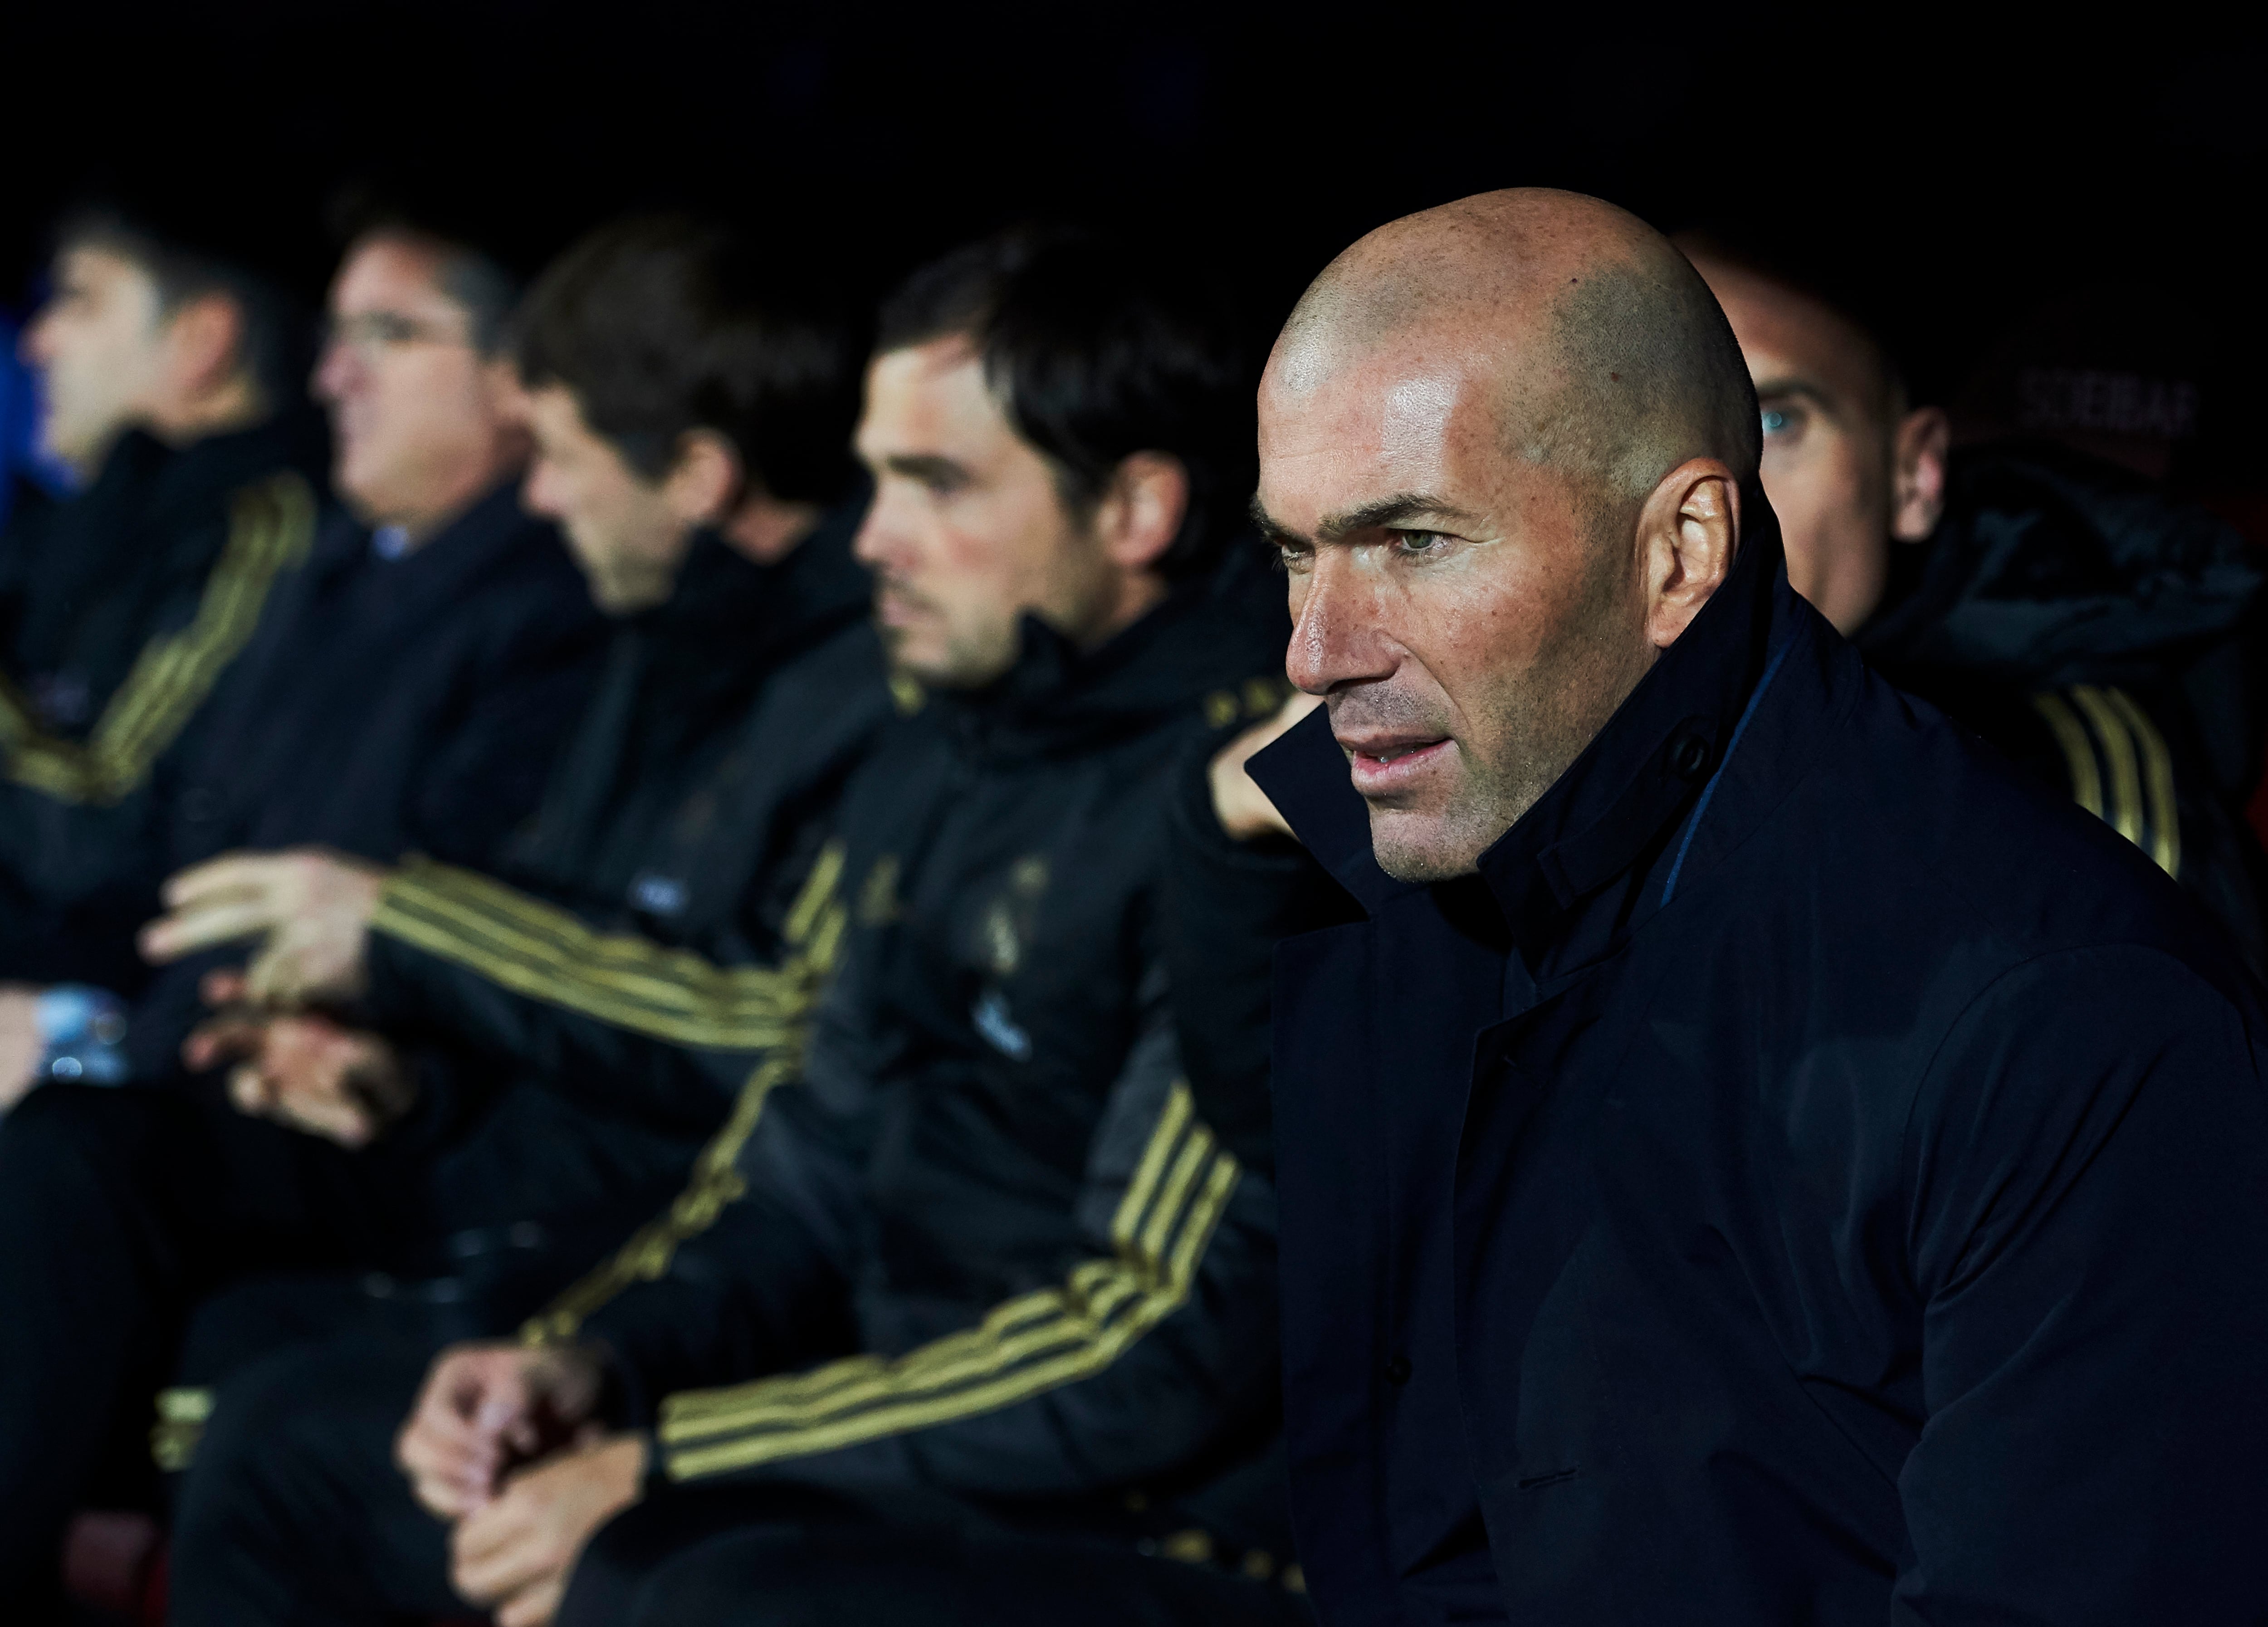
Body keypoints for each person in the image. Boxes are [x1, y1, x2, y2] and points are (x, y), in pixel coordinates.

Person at [166, 228, 1308, 1627]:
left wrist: (670, 1453)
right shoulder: (938, 739)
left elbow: (1148, 1345)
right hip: (904, 1439)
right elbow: (804, 1157)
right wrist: (587, 1362)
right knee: (293, 1453)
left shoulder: (1249, 805)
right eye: (877, 474)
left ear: (1135, 510)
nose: (874, 534)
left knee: (667, 1584)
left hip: (1145, 1522)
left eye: (935, 483)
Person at [1220, 188, 2268, 1622]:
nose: (1315, 650)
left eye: (1414, 542)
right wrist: (1204, 844)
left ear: (1681, 551)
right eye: (1297, 550)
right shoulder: (1430, 834)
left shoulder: (2067, 1017)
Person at [122, 211, 889, 1430]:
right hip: (514, 1200)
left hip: (658, 1262)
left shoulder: (866, 688)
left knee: (256, 1423)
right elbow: (564, 961)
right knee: (92, 1166)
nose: (538, 495)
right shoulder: (653, 638)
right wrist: (397, 1076)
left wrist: (394, 924)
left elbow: (761, 1027)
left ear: (696, 475)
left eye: (558, 453)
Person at [0, 211, 611, 1617]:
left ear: (518, 386)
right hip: (198, 1059)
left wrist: (344, 1040)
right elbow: (156, 869)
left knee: (72, 1160)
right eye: (336, 339)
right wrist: (76, 1010)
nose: (335, 375)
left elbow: (495, 930)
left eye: (389, 338)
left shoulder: (546, 610)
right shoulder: (337, 572)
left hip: (378, 1121)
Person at [1677, 231, 2268, 969]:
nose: (1705, 495)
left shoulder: (2070, 796)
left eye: (1776, 422)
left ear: (1912, 474)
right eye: (1653, 425)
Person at [0, 200, 327, 1001]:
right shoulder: (82, 528)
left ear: (200, 340)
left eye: (78, 301)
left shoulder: (260, 526)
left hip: (101, 1018)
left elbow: (104, 834)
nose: (38, 344)